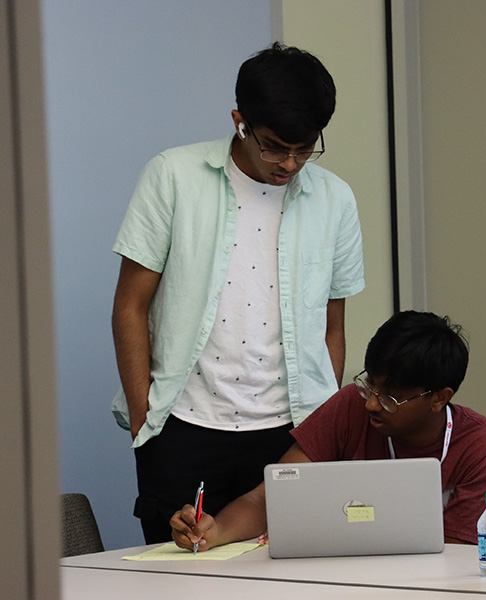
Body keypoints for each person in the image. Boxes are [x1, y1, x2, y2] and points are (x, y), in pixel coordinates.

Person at [111, 42, 364, 543]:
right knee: (178, 575)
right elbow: (130, 306)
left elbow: (331, 325)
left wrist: (320, 423)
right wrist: (146, 424)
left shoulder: (334, 198)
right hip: (183, 427)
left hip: (290, 432)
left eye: (304, 147)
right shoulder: (174, 175)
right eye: (273, 145)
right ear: (239, 121)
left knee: (291, 576)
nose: (290, 163)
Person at [170, 311, 486, 549]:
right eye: (370, 385)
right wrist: (216, 531)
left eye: (391, 397)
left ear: (439, 398)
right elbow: (270, 498)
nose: (371, 403)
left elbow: (458, 557)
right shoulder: (351, 405)